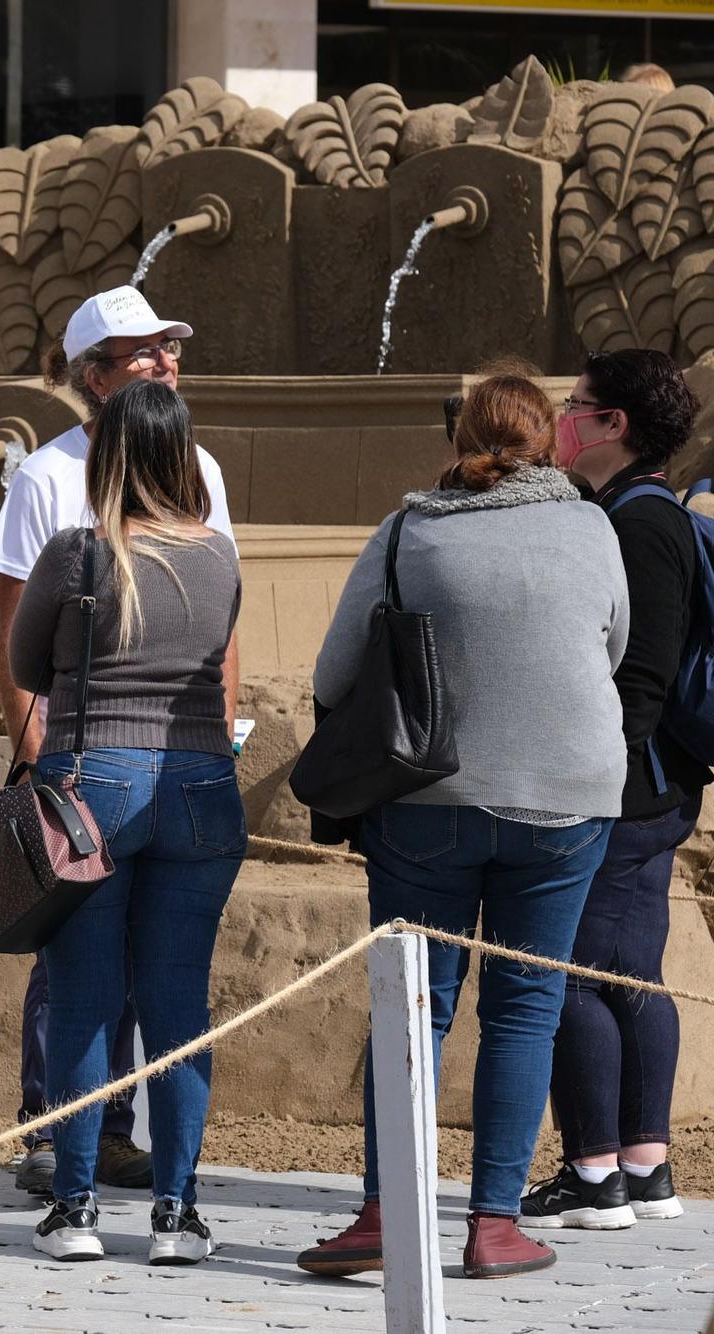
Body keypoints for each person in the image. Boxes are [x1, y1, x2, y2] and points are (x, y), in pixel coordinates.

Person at [300, 367, 629, 1281]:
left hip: (430, 798)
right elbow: (614, 645)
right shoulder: (593, 525)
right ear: (549, 438)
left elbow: (334, 676)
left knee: (415, 1006)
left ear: (461, 439)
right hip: (569, 797)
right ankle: (494, 1226)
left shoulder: (411, 529)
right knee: (525, 1012)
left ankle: (382, 1216)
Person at [0, 285, 238, 1197]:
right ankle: (62, 1139)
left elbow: (225, 632)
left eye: (168, 346)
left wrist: (219, 732)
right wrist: (30, 751)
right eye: (141, 353)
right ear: (92, 378)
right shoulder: (46, 478)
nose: (165, 361)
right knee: (80, 968)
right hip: (80, 755)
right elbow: (14, 637)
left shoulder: (197, 464)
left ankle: (98, 1166)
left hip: (159, 755)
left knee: (125, 976)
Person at [520, 350, 707, 1230]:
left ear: (613, 425)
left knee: (578, 979)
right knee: (630, 973)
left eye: (576, 404)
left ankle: (595, 1175)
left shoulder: (637, 524)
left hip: (626, 787)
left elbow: (641, 677)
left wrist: (586, 770)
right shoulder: (640, 512)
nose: (564, 416)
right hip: (649, 785)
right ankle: (644, 1168)